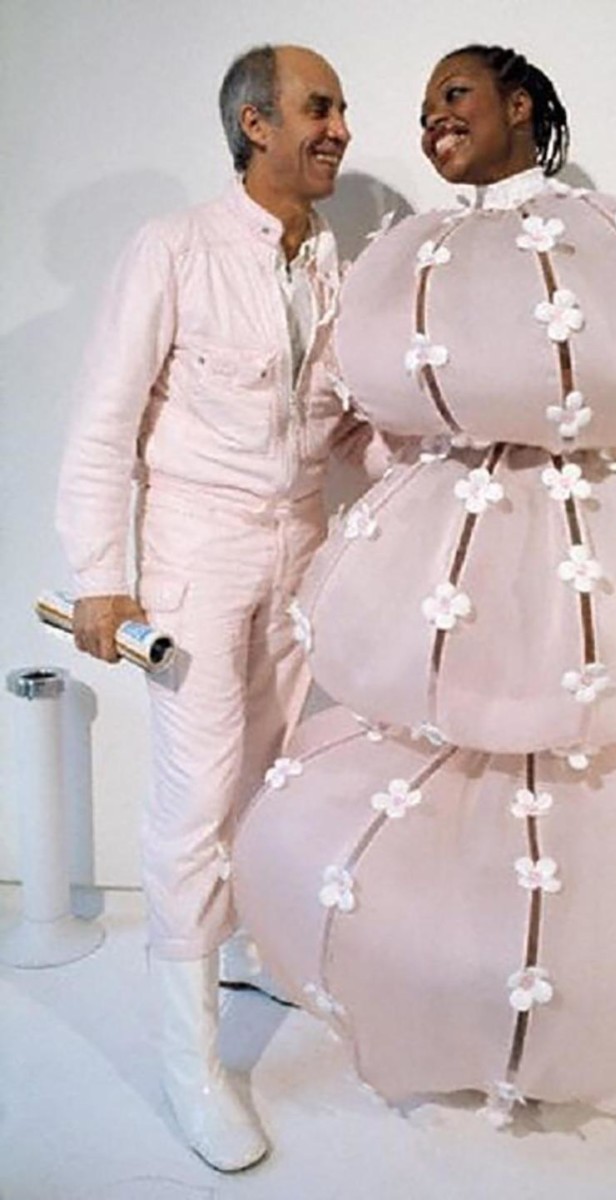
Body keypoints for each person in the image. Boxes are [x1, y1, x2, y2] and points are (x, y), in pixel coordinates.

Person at [232, 44, 616, 1131]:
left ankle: (560, 1011)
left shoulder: (606, 239)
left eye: (455, 96)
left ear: (520, 105)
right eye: (424, 107)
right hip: (456, 537)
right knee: (462, 762)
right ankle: (474, 1001)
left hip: (583, 532)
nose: (433, 121)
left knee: (573, 763)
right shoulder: (417, 253)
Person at [56, 43, 385, 1172]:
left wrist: (442, 463)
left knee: (273, 776)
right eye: (318, 108)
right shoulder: (175, 248)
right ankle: (190, 1060)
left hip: (301, 549)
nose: (340, 127)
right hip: (196, 555)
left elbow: (342, 426)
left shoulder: (333, 263)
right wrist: (101, 575)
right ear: (255, 124)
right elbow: (104, 421)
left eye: (340, 109)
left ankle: (241, 947)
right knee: (195, 799)